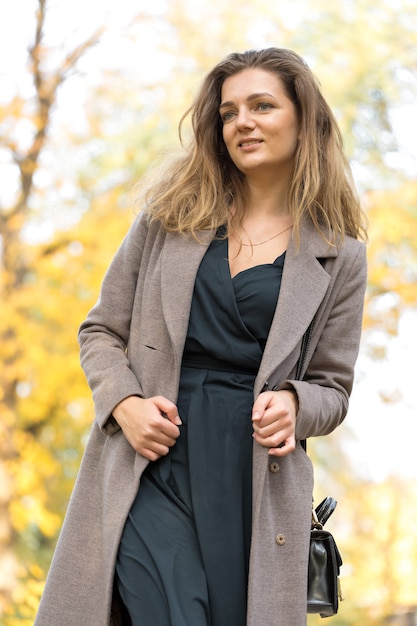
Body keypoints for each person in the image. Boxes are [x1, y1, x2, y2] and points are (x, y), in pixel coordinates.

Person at [35, 47, 367, 626]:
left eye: (262, 105)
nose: (243, 122)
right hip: (151, 456)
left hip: (249, 476)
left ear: (304, 120)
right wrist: (125, 403)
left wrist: (295, 403)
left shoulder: (341, 256)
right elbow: (101, 330)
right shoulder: (169, 219)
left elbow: (333, 389)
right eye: (229, 112)